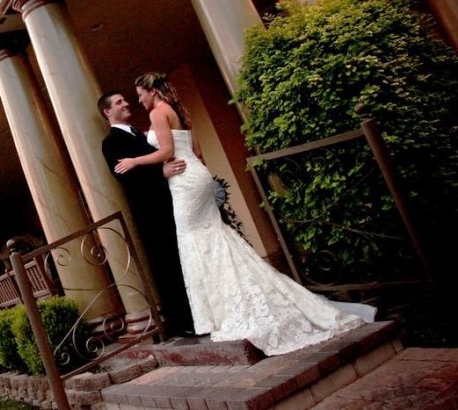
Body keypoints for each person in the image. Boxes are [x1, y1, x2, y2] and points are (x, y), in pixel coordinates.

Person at [114, 72, 374, 356]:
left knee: (195, 241)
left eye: (140, 92)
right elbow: (197, 151)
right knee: (214, 236)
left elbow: (165, 151)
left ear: (151, 91)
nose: (138, 98)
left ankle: (226, 310)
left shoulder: (158, 113)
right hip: (197, 175)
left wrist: (134, 161)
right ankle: (234, 300)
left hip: (185, 183)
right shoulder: (175, 109)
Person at [99, 90, 194, 337]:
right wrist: (160, 173)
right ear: (107, 111)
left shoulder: (140, 134)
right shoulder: (110, 143)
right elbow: (124, 175)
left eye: (125, 100)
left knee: (185, 256)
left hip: (171, 201)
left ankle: (198, 311)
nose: (126, 104)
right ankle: (181, 321)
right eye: (119, 102)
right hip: (149, 211)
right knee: (166, 263)